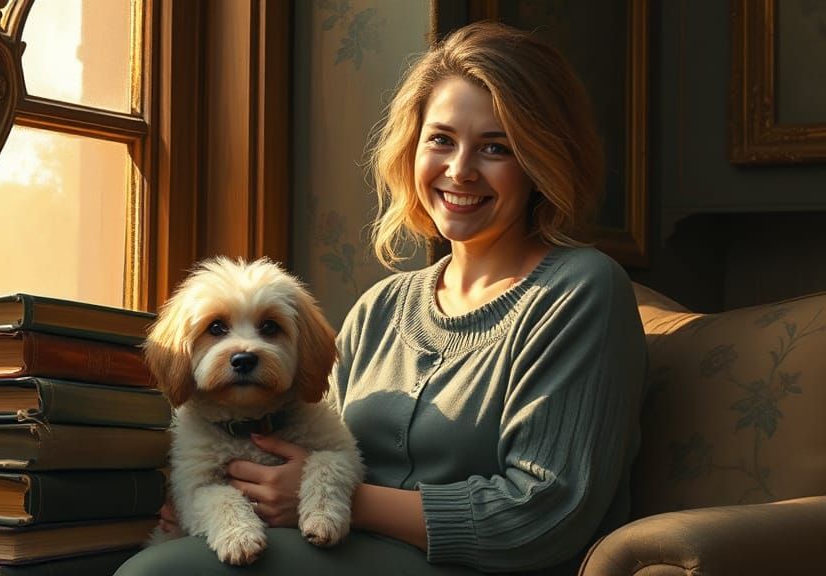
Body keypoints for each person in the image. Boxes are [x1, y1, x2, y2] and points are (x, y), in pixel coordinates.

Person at [117, 20, 646, 576]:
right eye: (441, 139)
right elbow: (303, 446)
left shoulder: (580, 290)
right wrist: (214, 497)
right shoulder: (381, 308)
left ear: (541, 161)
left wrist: (343, 502)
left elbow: (545, 513)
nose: (460, 170)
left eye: (496, 147)